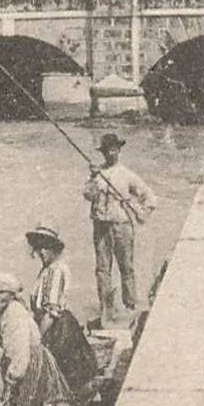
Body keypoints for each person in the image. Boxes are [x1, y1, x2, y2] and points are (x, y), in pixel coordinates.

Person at [0, 272, 72, 406]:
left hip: (30, 364)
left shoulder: (13, 314)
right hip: (28, 360)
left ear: (11, 294)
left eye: (2, 292)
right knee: (24, 404)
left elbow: (20, 351)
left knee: (27, 403)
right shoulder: (8, 311)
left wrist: (12, 376)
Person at [83, 133, 157, 322]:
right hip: (100, 226)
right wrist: (92, 177)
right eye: (107, 150)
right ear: (103, 152)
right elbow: (88, 195)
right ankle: (105, 308)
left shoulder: (127, 174)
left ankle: (130, 305)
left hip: (122, 226)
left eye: (114, 149)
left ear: (119, 151)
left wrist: (141, 212)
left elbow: (150, 198)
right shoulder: (97, 174)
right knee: (102, 269)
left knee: (126, 267)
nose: (111, 153)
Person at [26, 226, 99, 398]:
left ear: (54, 248)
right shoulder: (48, 269)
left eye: (46, 247)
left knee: (61, 374)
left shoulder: (55, 270)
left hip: (57, 329)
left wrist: (38, 339)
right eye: (38, 247)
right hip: (54, 325)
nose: (41, 252)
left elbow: (51, 311)